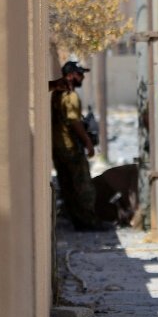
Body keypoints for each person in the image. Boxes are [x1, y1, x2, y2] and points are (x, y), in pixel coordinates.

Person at [51, 60, 101, 231]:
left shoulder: (56, 94)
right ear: (71, 75)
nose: (82, 78)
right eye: (80, 74)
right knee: (83, 187)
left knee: (68, 187)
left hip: (57, 148)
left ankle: (78, 221)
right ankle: (88, 222)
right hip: (70, 148)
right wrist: (88, 142)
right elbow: (74, 122)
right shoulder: (70, 96)